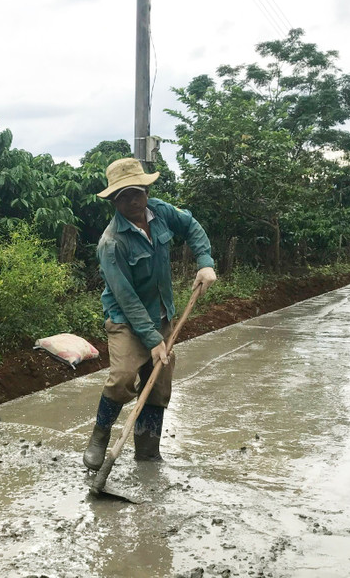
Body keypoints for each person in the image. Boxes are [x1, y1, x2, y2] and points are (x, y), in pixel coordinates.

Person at [82, 157, 217, 470]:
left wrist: (205, 262)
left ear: (146, 189)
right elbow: (126, 299)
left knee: (158, 385)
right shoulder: (111, 242)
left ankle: (147, 451)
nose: (133, 200)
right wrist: (153, 340)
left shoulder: (162, 212)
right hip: (126, 321)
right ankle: (100, 436)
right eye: (124, 195)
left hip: (162, 315)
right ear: (114, 200)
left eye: (137, 191)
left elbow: (192, 227)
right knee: (124, 376)